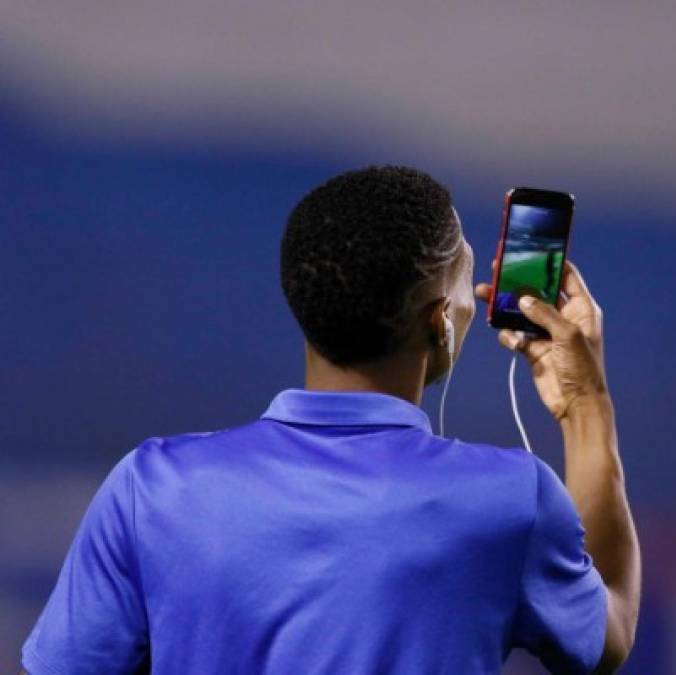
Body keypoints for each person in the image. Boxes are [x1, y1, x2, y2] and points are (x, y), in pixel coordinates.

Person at [20, 165, 640, 674]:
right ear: (439, 321)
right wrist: (586, 407)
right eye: (464, 285)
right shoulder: (510, 498)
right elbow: (609, 633)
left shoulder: (150, 485)